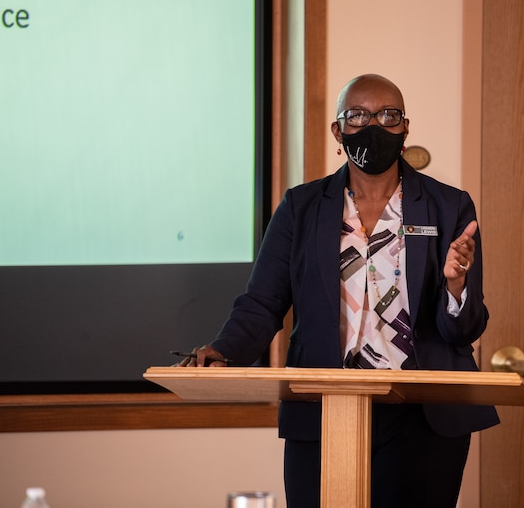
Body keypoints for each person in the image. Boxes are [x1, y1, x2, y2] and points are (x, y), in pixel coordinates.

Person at [177, 73, 499, 507]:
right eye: (358, 116)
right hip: (325, 409)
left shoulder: (448, 205)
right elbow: (263, 302)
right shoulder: (301, 207)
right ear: (337, 130)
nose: (374, 127)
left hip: (423, 417)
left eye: (388, 116)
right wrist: (223, 350)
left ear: (405, 128)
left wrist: (456, 286)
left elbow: (463, 331)